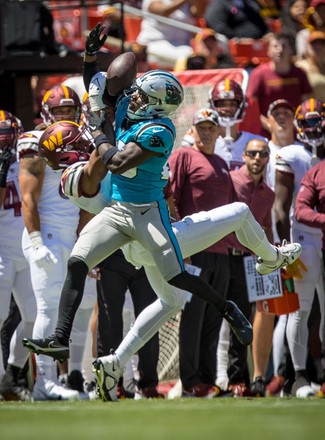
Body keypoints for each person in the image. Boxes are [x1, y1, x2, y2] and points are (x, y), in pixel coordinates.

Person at [22, 99, 302, 405]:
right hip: (153, 233)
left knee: (171, 300)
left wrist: (102, 123)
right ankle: (272, 258)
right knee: (240, 212)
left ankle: (116, 362)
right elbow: (107, 166)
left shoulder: (80, 171)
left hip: (138, 243)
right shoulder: (84, 174)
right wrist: (100, 133)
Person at [18, 88, 96, 401]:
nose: (65, 117)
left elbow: (88, 195)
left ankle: (75, 376)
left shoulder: (82, 140)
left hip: (71, 235)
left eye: (69, 111)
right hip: (46, 234)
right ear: (48, 114)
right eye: (59, 112)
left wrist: (85, 235)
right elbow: (28, 196)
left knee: (82, 305)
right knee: (47, 309)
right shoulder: (36, 142)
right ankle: (42, 384)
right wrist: (36, 240)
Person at [168, 107, 235, 398]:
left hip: (221, 251)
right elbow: (169, 197)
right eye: (201, 127)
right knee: (193, 316)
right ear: (192, 131)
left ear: (219, 131)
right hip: (194, 249)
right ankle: (190, 380)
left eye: (211, 127)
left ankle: (208, 380)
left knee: (213, 318)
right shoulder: (183, 156)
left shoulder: (221, 163)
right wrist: (180, 248)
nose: (206, 131)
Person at [216, 138, 275, 397]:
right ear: (244, 155)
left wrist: (274, 258)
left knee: (241, 321)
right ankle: (205, 378)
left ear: (267, 158)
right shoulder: (229, 180)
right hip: (220, 255)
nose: (257, 158)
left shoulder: (269, 193)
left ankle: (237, 380)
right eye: (252, 153)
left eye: (262, 154)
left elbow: (266, 225)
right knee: (209, 318)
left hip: (248, 261)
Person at [274, 98, 325, 397]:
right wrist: (285, 249)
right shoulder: (291, 154)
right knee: (299, 311)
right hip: (302, 238)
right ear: (297, 125)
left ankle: (314, 372)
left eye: (317, 121)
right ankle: (297, 376)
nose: (312, 128)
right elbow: (281, 208)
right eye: (307, 122)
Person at [0, 110, 37, 401]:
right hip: (0, 251)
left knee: (36, 317)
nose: (3, 142)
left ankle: (12, 375)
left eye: (6, 136)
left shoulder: (27, 160)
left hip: (24, 250)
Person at [294, 157, 325, 396]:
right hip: (316, 249)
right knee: (303, 311)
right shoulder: (317, 172)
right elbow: (300, 209)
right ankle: (301, 376)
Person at [246, 32, 313, 137]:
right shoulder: (259, 74)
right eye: (275, 46)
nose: (280, 50)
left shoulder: (300, 73)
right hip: (268, 134)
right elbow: (251, 107)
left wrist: (299, 125)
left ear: (291, 50)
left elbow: (307, 103)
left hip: (295, 133)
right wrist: (270, 126)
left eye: (284, 46)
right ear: (269, 51)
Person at [136, 0, 204, 69]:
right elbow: (162, 12)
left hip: (184, 47)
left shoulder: (188, 3)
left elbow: (199, 12)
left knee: (205, 57)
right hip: (153, 45)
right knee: (193, 61)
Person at [204, 0, 269, 40]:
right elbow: (219, 29)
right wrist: (239, 39)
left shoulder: (251, 2)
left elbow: (261, 22)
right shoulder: (218, 5)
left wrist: (268, 34)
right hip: (237, 50)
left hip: (261, 45)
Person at [296, 31, 325, 102]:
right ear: (307, 47)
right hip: (311, 111)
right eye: (314, 44)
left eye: (321, 44)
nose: (318, 46)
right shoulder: (300, 66)